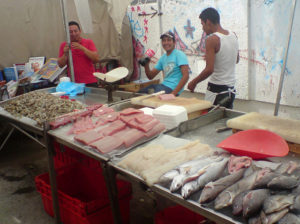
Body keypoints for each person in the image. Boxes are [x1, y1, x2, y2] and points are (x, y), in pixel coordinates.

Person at [188, 7, 239, 109]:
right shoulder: (233, 35)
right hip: (231, 91)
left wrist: (193, 82)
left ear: (208, 22)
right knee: (225, 122)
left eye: (202, 24)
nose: (202, 28)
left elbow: (209, 70)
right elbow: (236, 60)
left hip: (217, 91)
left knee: (209, 122)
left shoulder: (212, 39)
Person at [138, 31, 189, 96]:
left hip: (172, 89)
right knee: (139, 94)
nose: (166, 43)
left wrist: (173, 94)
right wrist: (146, 65)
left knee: (152, 98)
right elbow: (150, 76)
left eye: (169, 40)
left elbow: (186, 76)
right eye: (164, 40)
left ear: (174, 42)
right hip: (163, 86)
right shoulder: (163, 58)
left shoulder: (179, 55)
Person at [58, 21, 99, 85]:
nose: (73, 34)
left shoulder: (88, 42)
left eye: (75, 31)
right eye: (70, 32)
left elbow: (96, 59)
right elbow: (60, 65)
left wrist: (82, 48)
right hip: (73, 83)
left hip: (90, 81)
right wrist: (65, 53)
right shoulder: (64, 45)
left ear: (80, 31)